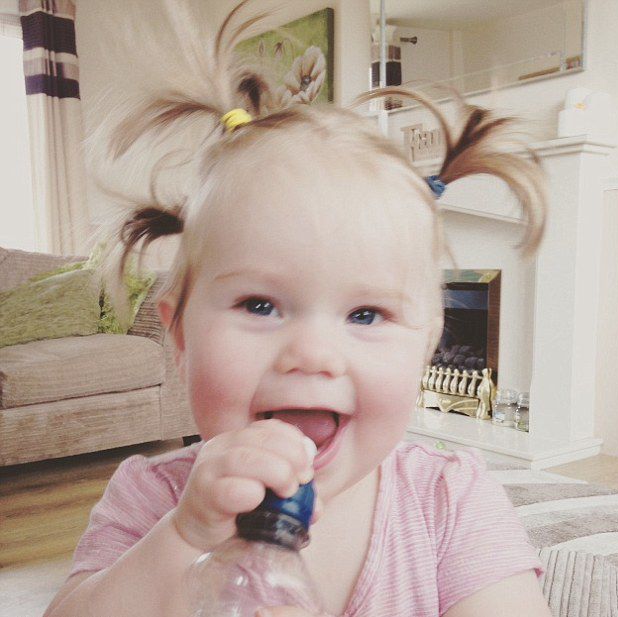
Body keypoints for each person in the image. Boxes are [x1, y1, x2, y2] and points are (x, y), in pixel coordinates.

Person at [45, 1, 552, 616]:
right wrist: (184, 537)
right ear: (179, 334)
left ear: (426, 347)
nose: (312, 354)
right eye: (260, 305)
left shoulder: (449, 501)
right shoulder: (153, 500)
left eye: (365, 315)